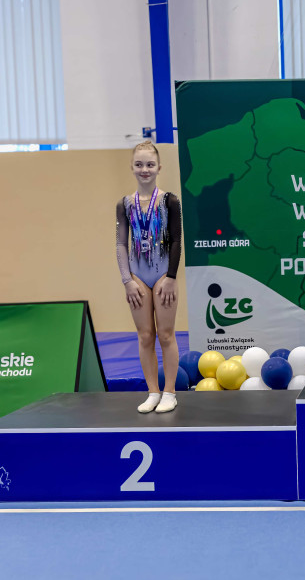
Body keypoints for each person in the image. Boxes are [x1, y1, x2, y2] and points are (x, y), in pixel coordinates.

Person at [116, 141, 182, 413]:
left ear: (159, 168)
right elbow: (121, 243)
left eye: (150, 164)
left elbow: (176, 240)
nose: (145, 169)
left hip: (164, 274)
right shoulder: (125, 204)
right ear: (132, 167)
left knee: (165, 335)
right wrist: (127, 281)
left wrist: (171, 277)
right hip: (138, 277)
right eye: (139, 164)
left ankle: (170, 392)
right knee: (145, 336)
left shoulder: (169, 201)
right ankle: (153, 391)